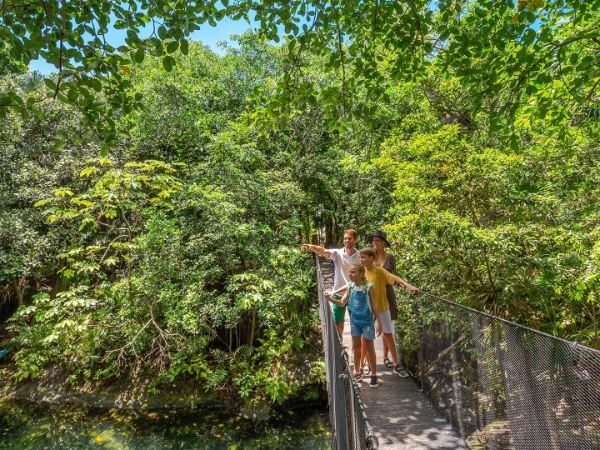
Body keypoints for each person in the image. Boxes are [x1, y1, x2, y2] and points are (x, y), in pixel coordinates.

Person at [359, 247, 419, 378]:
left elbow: (394, 278)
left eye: (363, 257)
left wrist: (408, 286)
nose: (361, 260)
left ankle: (396, 364)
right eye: (360, 257)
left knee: (388, 334)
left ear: (371, 258)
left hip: (382, 308)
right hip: (367, 310)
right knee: (365, 338)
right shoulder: (361, 272)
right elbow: (350, 286)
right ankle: (363, 365)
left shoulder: (380, 271)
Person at [325, 264, 382, 388]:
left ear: (361, 274)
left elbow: (374, 305)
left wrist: (379, 322)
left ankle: (373, 374)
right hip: (354, 321)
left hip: (367, 321)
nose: (350, 274)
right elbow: (342, 303)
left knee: (370, 347)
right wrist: (330, 299)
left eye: (353, 272)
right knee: (356, 347)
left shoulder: (368, 287)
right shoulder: (350, 286)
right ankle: (357, 372)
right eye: (349, 272)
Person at [301, 229, 360, 335]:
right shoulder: (338, 253)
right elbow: (323, 251)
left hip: (355, 293)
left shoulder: (360, 256)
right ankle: (340, 343)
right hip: (338, 293)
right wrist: (310, 246)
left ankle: (356, 345)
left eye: (350, 238)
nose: (347, 240)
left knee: (356, 324)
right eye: (345, 238)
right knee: (338, 324)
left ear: (355, 240)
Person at [367, 230, 398, 370]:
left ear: (384, 243)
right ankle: (368, 360)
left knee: (387, 327)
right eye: (373, 240)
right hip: (371, 294)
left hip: (387, 294)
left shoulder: (389, 257)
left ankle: (385, 356)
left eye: (377, 240)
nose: (375, 243)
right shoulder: (370, 257)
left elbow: (393, 276)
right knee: (368, 326)